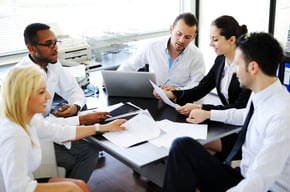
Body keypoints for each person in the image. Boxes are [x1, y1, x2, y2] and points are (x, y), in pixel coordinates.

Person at [162, 32, 290, 192]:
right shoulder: (262, 93)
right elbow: (244, 115)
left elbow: (258, 183)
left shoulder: (282, 116)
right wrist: (208, 113)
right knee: (182, 146)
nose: (235, 71)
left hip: (260, 187)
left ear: (253, 67)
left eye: (237, 65)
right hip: (242, 175)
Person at [0, 64, 126, 192]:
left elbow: (61, 132)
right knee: (73, 188)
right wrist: (68, 188)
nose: (49, 96)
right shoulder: (15, 135)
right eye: (41, 92)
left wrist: (104, 127)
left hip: (25, 184)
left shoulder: (28, 120)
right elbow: (16, 188)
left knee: (80, 185)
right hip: (18, 188)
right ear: (24, 97)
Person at [16, 23, 108, 182]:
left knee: (90, 149)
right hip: (31, 137)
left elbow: (74, 90)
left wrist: (75, 106)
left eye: (55, 42)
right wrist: (82, 120)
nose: (55, 48)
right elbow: (38, 124)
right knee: (83, 156)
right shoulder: (23, 77)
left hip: (47, 126)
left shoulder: (52, 64)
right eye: (48, 44)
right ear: (31, 48)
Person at [155, 15, 251, 159]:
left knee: (189, 141)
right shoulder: (221, 60)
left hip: (243, 129)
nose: (210, 44)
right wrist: (174, 94)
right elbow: (202, 87)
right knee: (185, 133)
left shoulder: (246, 67)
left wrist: (203, 109)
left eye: (215, 39)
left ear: (231, 40)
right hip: (225, 121)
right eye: (211, 38)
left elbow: (240, 108)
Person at [117, 12, 206, 90]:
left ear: (193, 37)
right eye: (179, 34)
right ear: (171, 30)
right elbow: (130, 66)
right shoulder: (151, 46)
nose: (181, 40)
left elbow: (197, 85)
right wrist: (113, 80)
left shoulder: (197, 55)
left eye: (187, 37)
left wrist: (176, 90)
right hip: (154, 98)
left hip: (180, 100)